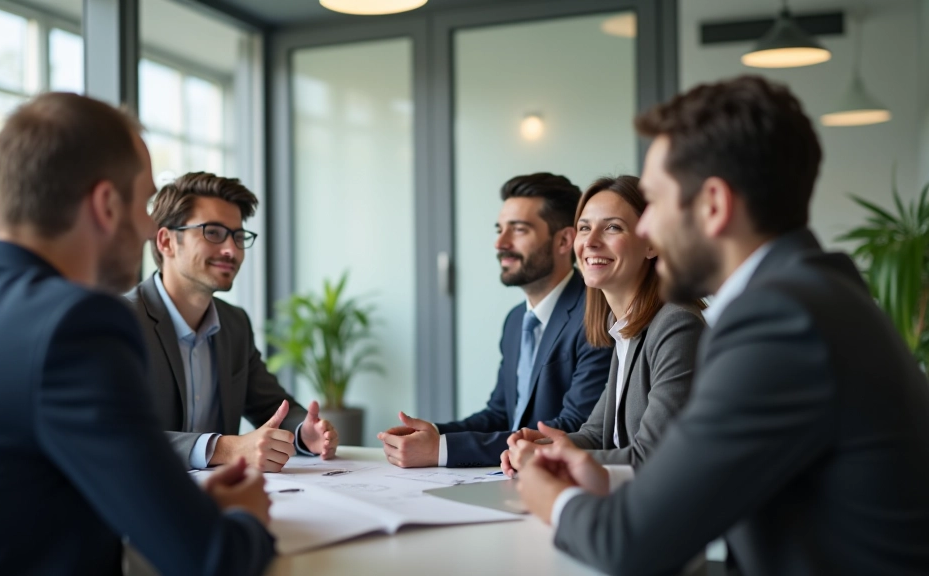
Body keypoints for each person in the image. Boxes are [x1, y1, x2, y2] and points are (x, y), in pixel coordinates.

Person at [516, 75, 929, 575]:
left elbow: (630, 545)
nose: (646, 227)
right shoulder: (814, 295)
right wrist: (597, 476)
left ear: (713, 205)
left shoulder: (779, 323)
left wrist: (551, 498)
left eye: (658, 202)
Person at [0, 93, 275, 575]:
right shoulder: (76, 323)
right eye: (144, 203)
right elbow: (209, 560)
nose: (149, 228)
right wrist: (246, 514)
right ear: (105, 204)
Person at [379, 173, 612, 468]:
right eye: (500, 229)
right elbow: (500, 415)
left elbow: (574, 428)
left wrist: (441, 451)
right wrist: (433, 435)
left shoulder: (596, 313)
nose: (500, 243)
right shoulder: (516, 321)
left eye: (518, 230)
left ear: (565, 240)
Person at [127, 172, 338, 472]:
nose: (232, 250)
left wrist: (305, 434)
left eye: (238, 236)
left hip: (223, 498)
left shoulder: (234, 324)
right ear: (167, 241)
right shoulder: (122, 321)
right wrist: (226, 448)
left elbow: (272, 407)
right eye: (213, 232)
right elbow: (116, 435)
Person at [501, 175, 704, 476]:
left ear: (651, 244)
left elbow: (653, 458)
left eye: (612, 227)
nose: (591, 242)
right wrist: (545, 447)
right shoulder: (623, 328)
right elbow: (595, 435)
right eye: (584, 227)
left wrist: (551, 460)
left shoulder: (677, 325)